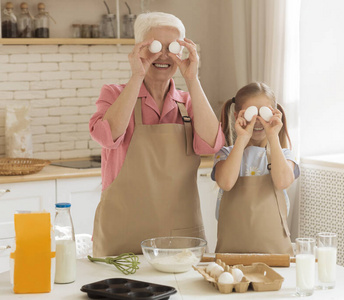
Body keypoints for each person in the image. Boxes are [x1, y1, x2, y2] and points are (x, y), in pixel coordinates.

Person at [89, 12, 225, 256]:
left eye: (171, 47)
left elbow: (211, 144)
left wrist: (192, 79)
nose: (163, 55)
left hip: (180, 236)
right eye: (154, 46)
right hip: (121, 233)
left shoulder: (187, 102)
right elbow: (106, 136)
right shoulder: (114, 94)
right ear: (139, 49)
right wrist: (137, 76)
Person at [212, 82, 300, 254]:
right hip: (232, 253)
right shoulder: (226, 154)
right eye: (252, 113)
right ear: (238, 115)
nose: (258, 121)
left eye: (264, 113)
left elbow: (282, 182)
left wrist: (273, 135)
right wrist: (242, 138)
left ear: (275, 114)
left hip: (274, 253)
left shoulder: (283, 155)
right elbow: (226, 182)